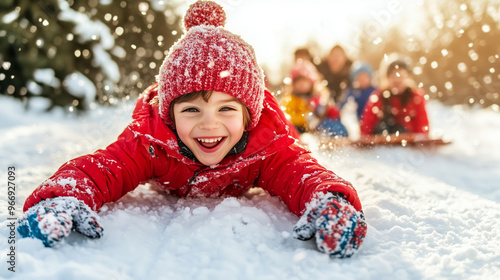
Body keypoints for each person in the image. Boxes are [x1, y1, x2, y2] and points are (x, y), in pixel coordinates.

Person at [17, 1, 366, 258]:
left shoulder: (267, 145)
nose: (209, 124)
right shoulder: (151, 140)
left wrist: (328, 198)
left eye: (227, 109)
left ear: (248, 116)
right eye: (191, 109)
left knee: (294, 142)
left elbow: (300, 171)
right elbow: (104, 168)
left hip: (278, 129)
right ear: (169, 114)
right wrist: (64, 195)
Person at [360, 55, 429, 136]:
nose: (397, 79)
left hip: (407, 140)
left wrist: (421, 139)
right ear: (387, 78)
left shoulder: (415, 97)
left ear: (408, 78)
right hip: (381, 139)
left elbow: (422, 126)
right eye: (393, 75)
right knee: (383, 126)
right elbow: (366, 126)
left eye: (401, 75)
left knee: (400, 129)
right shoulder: (379, 97)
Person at [281, 58, 348, 136]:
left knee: (335, 126)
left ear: (311, 83)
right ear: (293, 84)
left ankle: (337, 137)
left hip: (317, 127)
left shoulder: (317, 97)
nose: (301, 85)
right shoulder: (290, 99)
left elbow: (323, 112)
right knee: (293, 130)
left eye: (304, 81)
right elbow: (287, 117)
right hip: (300, 129)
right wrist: (303, 118)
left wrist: (330, 111)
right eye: (298, 82)